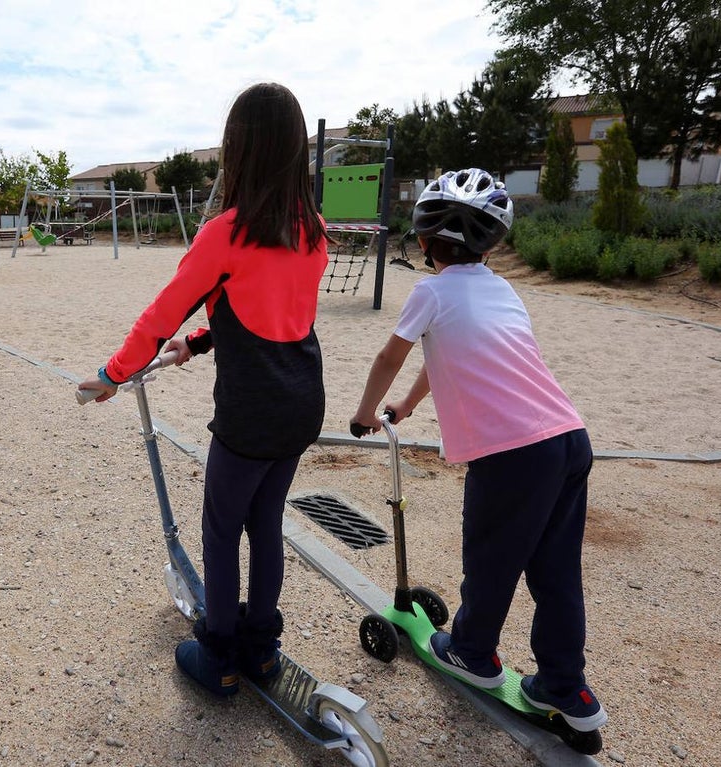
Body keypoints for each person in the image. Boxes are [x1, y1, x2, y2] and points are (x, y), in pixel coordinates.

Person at [78, 82, 329, 698]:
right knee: (265, 523)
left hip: (249, 413)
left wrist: (112, 377)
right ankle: (263, 649)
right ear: (297, 151)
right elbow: (272, 312)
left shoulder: (225, 232)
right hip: (302, 401)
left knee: (221, 529)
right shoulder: (313, 230)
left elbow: (158, 317)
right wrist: (201, 341)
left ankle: (217, 652)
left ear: (236, 151)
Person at [350, 168, 607, 733]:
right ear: (492, 242)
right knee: (556, 573)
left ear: (422, 239)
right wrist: (410, 406)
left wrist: (368, 412)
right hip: (567, 439)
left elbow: (392, 356)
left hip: (514, 454)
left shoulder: (431, 289)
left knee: (491, 558)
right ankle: (568, 692)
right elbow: (449, 355)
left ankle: (472, 652)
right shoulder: (501, 288)